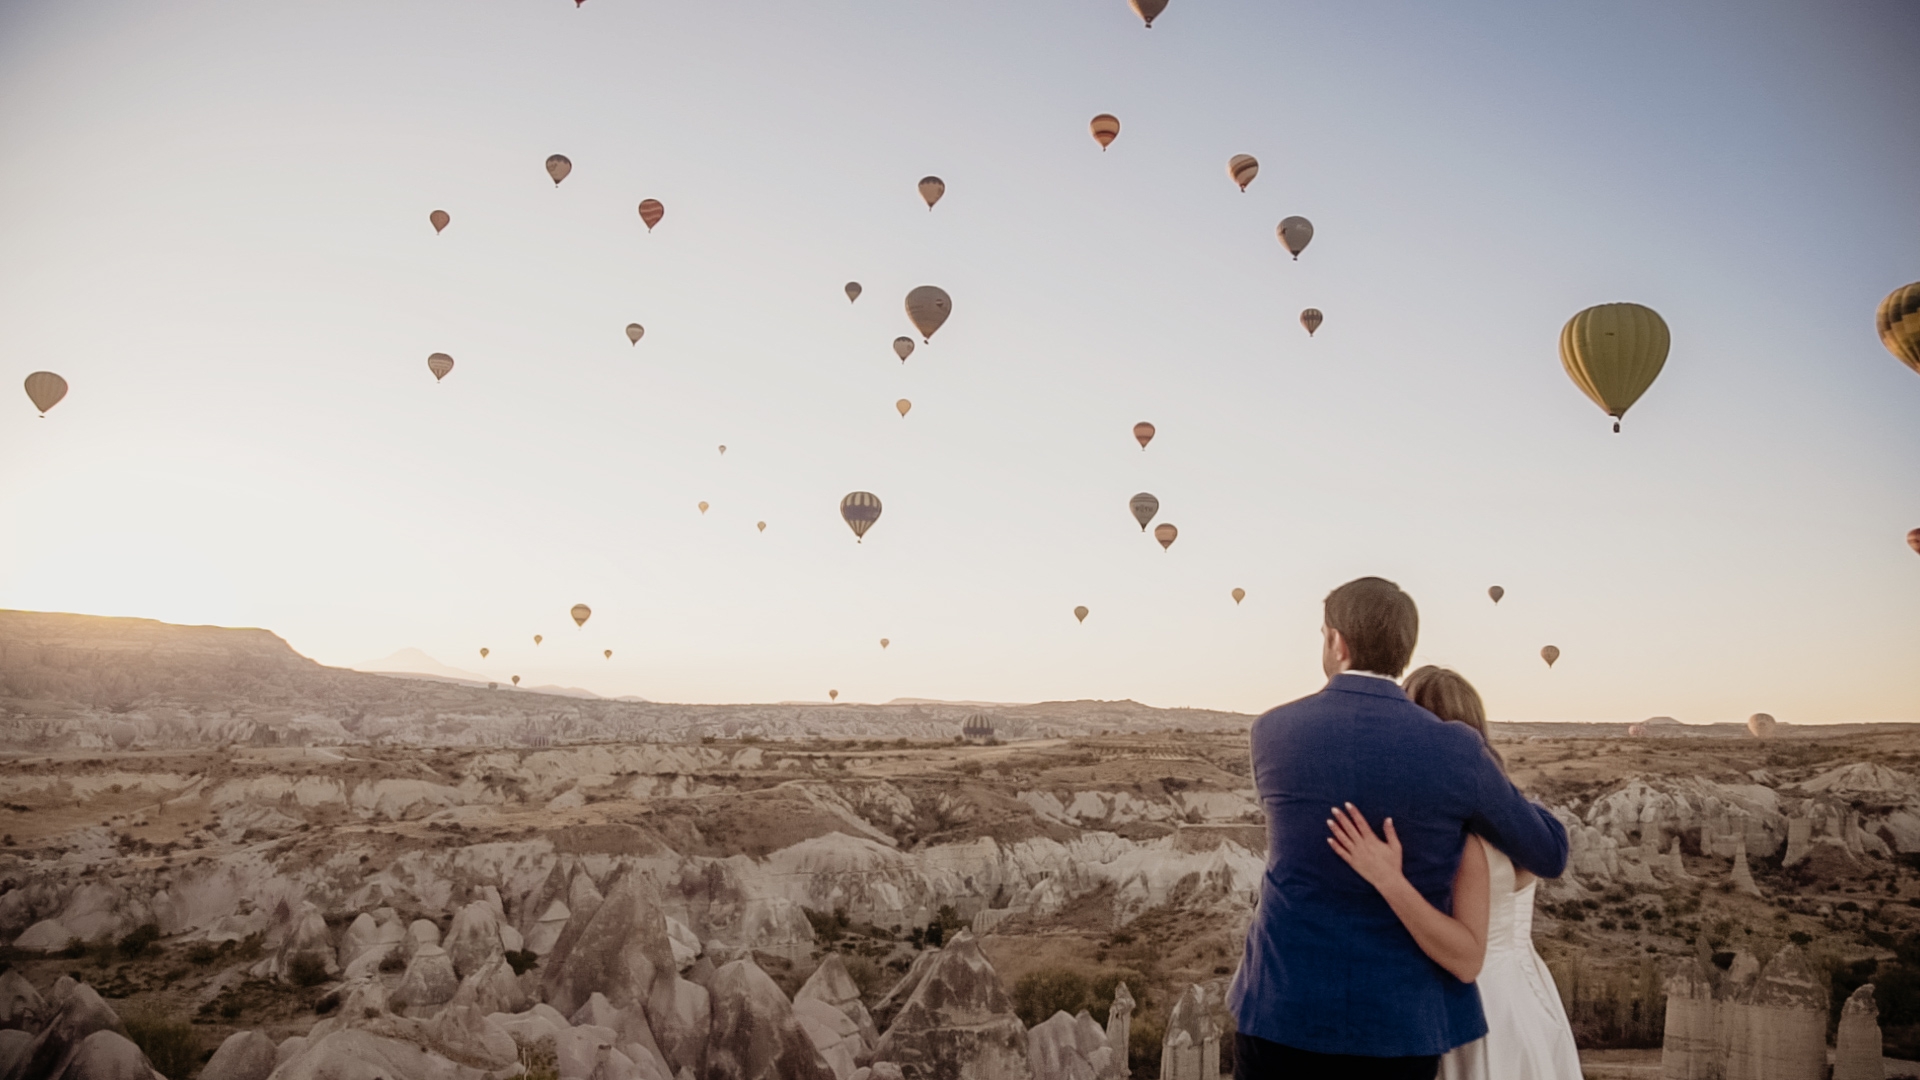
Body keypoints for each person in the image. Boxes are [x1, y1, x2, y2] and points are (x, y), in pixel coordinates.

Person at [1228, 577, 1568, 1080]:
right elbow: (1549, 853)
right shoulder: (1455, 750)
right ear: (1405, 651)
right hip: (1398, 1028)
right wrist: (1497, 789)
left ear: (1335, 641)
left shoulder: (1272, 732)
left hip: (1282, 1009)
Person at [1327, 666, 1583, 1080]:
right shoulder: (1513, 819)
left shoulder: (1463, 839)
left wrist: (1387, 879)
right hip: (1527, 1000)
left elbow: (1464, 957)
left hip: (1473, 1009)